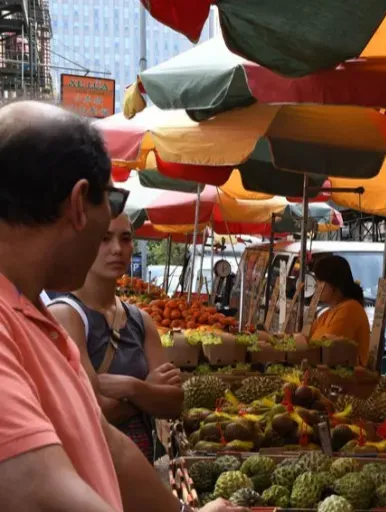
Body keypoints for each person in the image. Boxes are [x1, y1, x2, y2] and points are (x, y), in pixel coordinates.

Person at [0, 101, 244, 512]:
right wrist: (142, 391)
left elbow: (106, 444)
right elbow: (37, 489)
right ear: (80, 203)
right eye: (111, 201)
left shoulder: (39, 319)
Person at [49, 213, 183, 462]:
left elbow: (174, 402)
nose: (117, 249)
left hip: (140, 472)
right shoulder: (67, 316)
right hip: (93, 474)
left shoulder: (140, 320)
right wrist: (147, 391)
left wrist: (133, 387)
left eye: (125, 238)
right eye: (104, 238)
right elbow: (91, 411)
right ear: (83, 243)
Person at [260, 255, 371, 364]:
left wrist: (276, 342)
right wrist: (273, 338)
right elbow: (306, 339)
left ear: (335, 284)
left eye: (320, 281)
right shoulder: (328, 313)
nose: (316, 286)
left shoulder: (349, 310)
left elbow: (323, 349)